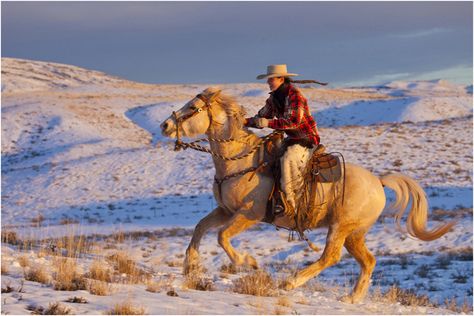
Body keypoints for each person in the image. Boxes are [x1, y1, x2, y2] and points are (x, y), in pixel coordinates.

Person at [246, 64, 321, 217]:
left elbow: (294, 122)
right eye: (268, 79)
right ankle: (274, 197)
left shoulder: (295, 96)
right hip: (292, 139)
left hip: (306, 139)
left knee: (288, 159)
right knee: (269, 156)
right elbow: (262, 116)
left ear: (281, 79)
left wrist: (268, 123)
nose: (268, 82)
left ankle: (294, 202)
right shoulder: (274, 98)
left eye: (271, 79)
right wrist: (244, 121)